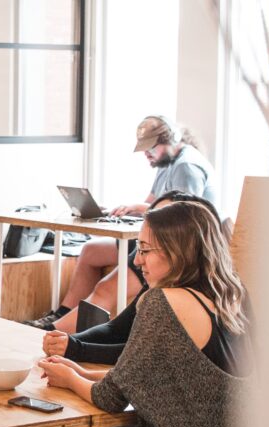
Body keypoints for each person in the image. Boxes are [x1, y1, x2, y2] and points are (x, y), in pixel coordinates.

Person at [38, 200, 250, 427]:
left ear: (177, 251)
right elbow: (147, 377)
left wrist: (69, 378)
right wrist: (80, 373)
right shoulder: (229, 298)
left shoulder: (163, 302)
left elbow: (110, 398)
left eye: (145, 250)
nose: (137, 261)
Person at [27, 116, 218, 333]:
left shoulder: (187, 167)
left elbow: (183, 218)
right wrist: (127, 209)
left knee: (106, 287)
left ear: (170, 140)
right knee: (91, 251)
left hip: (175, 248)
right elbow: (152, 203)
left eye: (151, 148)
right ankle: (63, 313)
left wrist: (140, 207)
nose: (147, 154)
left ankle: (55, 332)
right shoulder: (166, 163)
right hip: (158, 239)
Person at [41, 191, 222, 364]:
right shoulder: (175, 283)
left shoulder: (176, 300)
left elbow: (137, 359)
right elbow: (119, 330)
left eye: (145, 248)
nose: (136, 260)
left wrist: (74, 348)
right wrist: (67, 341)